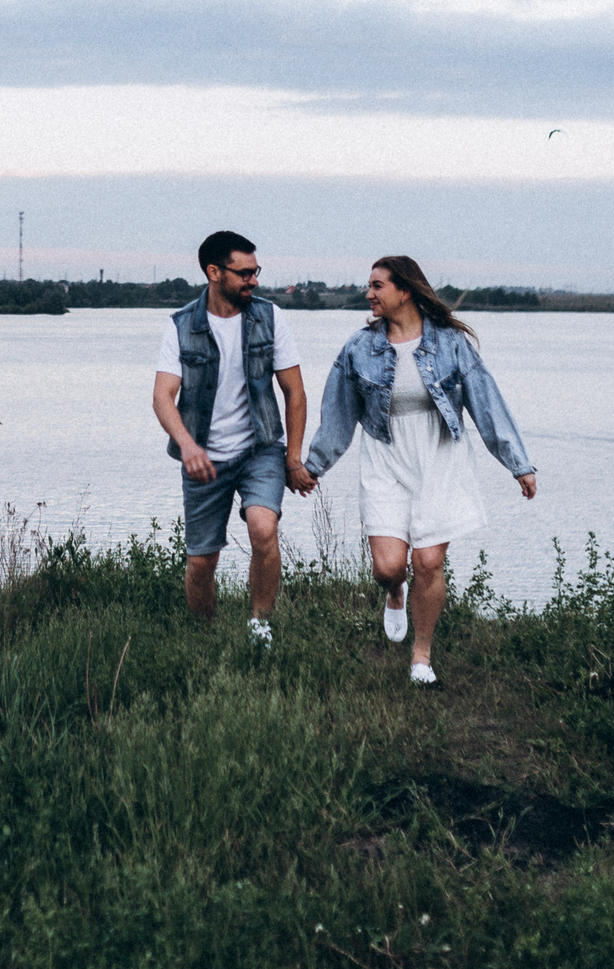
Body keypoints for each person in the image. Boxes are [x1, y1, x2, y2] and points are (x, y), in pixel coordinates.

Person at [297, 255, 536, 685]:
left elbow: (486, 403)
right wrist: (314, 465)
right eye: (369, 286)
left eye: (377, 286)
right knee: (389, 567)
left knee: (428, 562)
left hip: (440, 458)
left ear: (404, 291)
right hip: (385, 458)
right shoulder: (359, 348)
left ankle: (421, 658)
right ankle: (394, 591)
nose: (368, 294)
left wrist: (518, 465)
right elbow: (337, 413)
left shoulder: (450, 344)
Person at [151, 230, 308, 646]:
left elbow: (294, 392)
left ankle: (260, 625)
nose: (253, 280)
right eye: (244, 273)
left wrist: (293, 457)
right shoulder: (182, 327)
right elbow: (163, 397)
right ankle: (205, 636)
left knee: (263, 528)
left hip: (260, 448)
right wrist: (187, 446)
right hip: (203, 457)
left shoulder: (270, 318)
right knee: (202, 562)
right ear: (214, 272)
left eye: (256, 272)